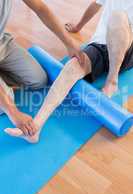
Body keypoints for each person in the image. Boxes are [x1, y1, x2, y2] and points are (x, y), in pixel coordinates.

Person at [5, 0, 133, 143]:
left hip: (128, 48)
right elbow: (95, 5)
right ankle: (36, 127)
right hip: (100, 46)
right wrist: (78, 27)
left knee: (118, 16)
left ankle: (112, 80)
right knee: (73, 65)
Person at [0, 0, 84, 137]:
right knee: (4, 106)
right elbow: (10, 110)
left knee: (39, 80)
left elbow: (40, 8)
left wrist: (69, 43)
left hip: (1, 43)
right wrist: (13, 112)